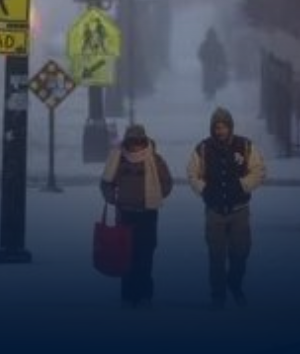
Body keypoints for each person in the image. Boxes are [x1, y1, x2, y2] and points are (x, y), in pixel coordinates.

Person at [186, 107, 266, 310]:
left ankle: (235, 282)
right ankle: (218, 295)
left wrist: (243, 185)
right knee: (216, 256)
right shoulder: (203, 149)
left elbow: (259, 170)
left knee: (241, 252)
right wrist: (204, 190)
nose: (220, 131)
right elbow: (192, 173)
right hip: (214, 211)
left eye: (223, 127)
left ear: (230, 127)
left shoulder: (245, 146)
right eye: (217, 127)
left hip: (239, 209)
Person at [100, 124, 173, 309]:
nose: (135, 146)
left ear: (144, 141)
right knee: (126, 257)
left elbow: (167, 182)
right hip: (125, 214)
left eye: (139, 142)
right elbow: (106, 181)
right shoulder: (118, 160)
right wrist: (112, 197)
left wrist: (156, 195)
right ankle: (128, 295)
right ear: (127, 142)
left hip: (148, 214)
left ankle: (145, 294)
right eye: (132, 142)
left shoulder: (155, 160)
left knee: (145, 256)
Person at [198, 27, 228, 101]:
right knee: (210, 79)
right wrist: (223, 62)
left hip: (211, 65)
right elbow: (200, 53)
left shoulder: (206, 44)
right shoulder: (213, 44)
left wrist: (203, 59)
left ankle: (210, 93)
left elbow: (200, 53)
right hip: (211, 65)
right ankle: (210, 93)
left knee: (209, 79)